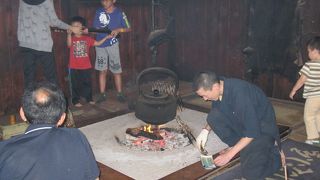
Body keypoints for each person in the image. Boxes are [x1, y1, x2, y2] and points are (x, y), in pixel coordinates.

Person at [0, 82, 100, 180]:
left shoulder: (5, 151)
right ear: (62, 118)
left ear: (22, 113)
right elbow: (95, 178)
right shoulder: (76, 137)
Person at [194, 71, 282, 180]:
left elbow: (252, 131)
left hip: (262, 130)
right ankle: (240, 146)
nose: (205, 99)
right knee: (213, 117)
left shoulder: (240, 94)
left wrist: (229, 154)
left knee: (251, 174)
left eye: (205, 95)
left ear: (215, 87)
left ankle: (276, 158)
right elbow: (216, 111)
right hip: (244, 125)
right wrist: (205, 131)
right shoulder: (220, 87)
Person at [18, 0, 81, 88]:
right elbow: (54, 22)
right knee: (51, 78)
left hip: (26, 43)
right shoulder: (47, 1)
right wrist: (71, 27)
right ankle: (57, 101)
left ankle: (28, 101)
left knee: (29, 79)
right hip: (43, 44)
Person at [67, 16, 111, 107]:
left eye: (78, 25)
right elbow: (68, 45)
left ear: (82, 27)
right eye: (73, 26)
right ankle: (75, 100)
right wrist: (68, 34)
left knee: (87, 83)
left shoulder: (87, 39)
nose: (76, 27)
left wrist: (106, 38)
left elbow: (97, 43)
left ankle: (89, 98)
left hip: (86, 66)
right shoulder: (72, 38)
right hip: (73, 66)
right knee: (75, 84)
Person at [93, 0, 131, 103]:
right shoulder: (99, 12)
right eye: (102, 0)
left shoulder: (120, 13)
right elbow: (96, 28)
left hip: (113, 45)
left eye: (106, 0)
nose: (103, 2)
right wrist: (103, 32)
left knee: (116, 70)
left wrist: (119, 29)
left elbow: (128, 28)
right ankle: (102, 94)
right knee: (102, 70)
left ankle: (119, 93)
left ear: (114, 0)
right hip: (100, 45)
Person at [289, 36, 320, 146]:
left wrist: (293, 90)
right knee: (318, 115)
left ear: (315, 51)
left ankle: (313, 138)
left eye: (308, 51)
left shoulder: (309, 65)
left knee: (309, 116)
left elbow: (302, 80)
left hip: (313, 96)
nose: (308, 54)